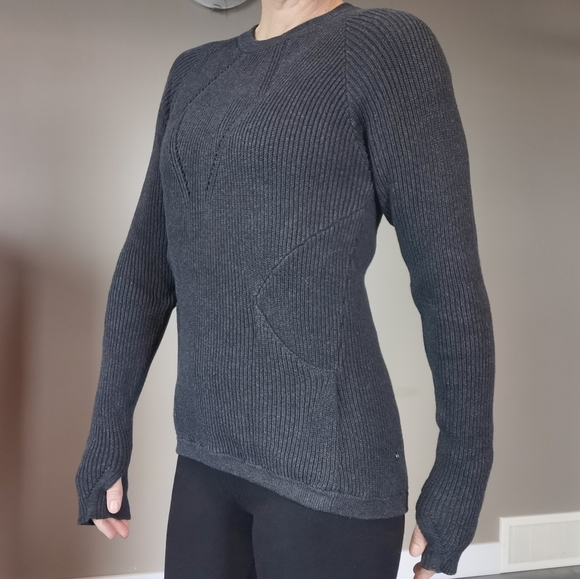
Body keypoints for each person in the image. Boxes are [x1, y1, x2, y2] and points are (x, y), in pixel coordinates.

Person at [75, 1, 495, 578]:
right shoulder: (193, 72)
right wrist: (107, 428)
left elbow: (448, 280)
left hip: (330, 472)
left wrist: (461, 476)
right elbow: (146, 266)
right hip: (205, 456)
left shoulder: (386, 46)